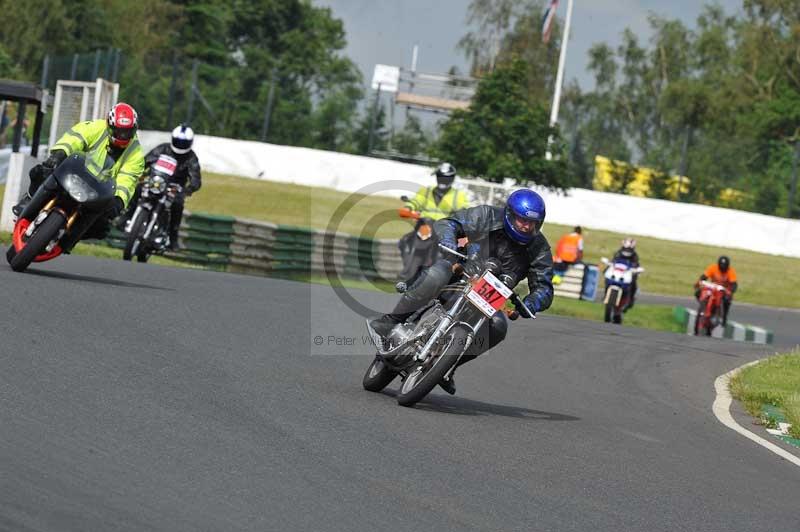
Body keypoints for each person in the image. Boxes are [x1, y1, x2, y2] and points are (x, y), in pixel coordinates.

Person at [370, 189, 554, 395]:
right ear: (510, 214)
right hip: (461, 271)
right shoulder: (486, 215)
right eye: (522, 220)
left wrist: (531, 303)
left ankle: (449, 365)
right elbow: (449, 223)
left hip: (491, 294)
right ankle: (392, 320)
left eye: (533, 223)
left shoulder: (539, 248)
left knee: (499, 327)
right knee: (436, 275)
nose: (527, 226)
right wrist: (449, 242)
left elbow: (544, 287)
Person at [13, 102, 144, 240]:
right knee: (41, 172)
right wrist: (60, 153)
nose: (123, 136)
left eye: (127, 132)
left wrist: (119, 200)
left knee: (102, 228)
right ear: (109, 126)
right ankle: (29, 199)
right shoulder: (96, 127)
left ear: (134, 130)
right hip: (74, 173)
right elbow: (75, 138)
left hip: (98, 191)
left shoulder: (136, 154)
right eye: (119, 131)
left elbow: (128, 179)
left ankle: (68, 240)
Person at [120, 124, 201, 250]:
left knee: (178, 205)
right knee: (139, 188)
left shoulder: (191, 157)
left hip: (175, 188)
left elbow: (196, 178)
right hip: (156, 181)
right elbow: (145, 161)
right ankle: (127, 215)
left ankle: (173, 237)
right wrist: (139, 173)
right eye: (178, 141)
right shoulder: (163, 148)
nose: (180, 144)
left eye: (183, 142)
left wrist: (188, 189)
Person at [404, 162, 470, 220]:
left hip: (445, 230)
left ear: (452, 179)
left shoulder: (458, 195)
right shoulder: (426, 191)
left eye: (445, 179)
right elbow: (416, 201)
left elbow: (465, 209)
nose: (442, 180)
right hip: (424, 227)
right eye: (440, 177)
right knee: (408, 235)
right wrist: (408, 208)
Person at [696, 255, 738, 325]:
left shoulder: (731, 271)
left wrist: (731, 291)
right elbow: (704, 276)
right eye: (721, 265)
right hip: (713, 288)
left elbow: (734, 283)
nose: (722, 267)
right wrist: (699, 282)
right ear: (718, 264)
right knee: (698, 292)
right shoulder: (713, 268)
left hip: (724, 290)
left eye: (724, 266)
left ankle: (724, 317)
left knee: (727, 300)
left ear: (727, 266)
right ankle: (703, 307)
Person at [612, 237, 640, 310]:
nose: (627, 251)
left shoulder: (635, 255)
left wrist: (635, 270)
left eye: (629, 249)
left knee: (634, 284)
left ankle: (630, 300)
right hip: (618, 273)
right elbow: (613, 261)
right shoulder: (618, 252)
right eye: (626, 249)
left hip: (628, 274)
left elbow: (637, 264)